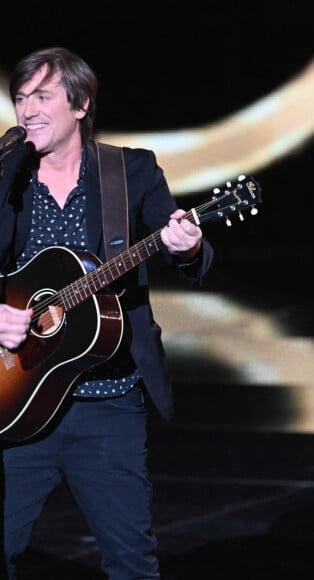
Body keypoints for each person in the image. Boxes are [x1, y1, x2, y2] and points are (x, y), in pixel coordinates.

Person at [0, 47, 214, 579]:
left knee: (131, 564)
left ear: (80, 104)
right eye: (20, 98)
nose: (27, 109)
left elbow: (189, 253)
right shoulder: (5, 176)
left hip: (108, 404)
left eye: (42, 96)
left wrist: (186, 246)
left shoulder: (130, 170)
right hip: (16, 401)